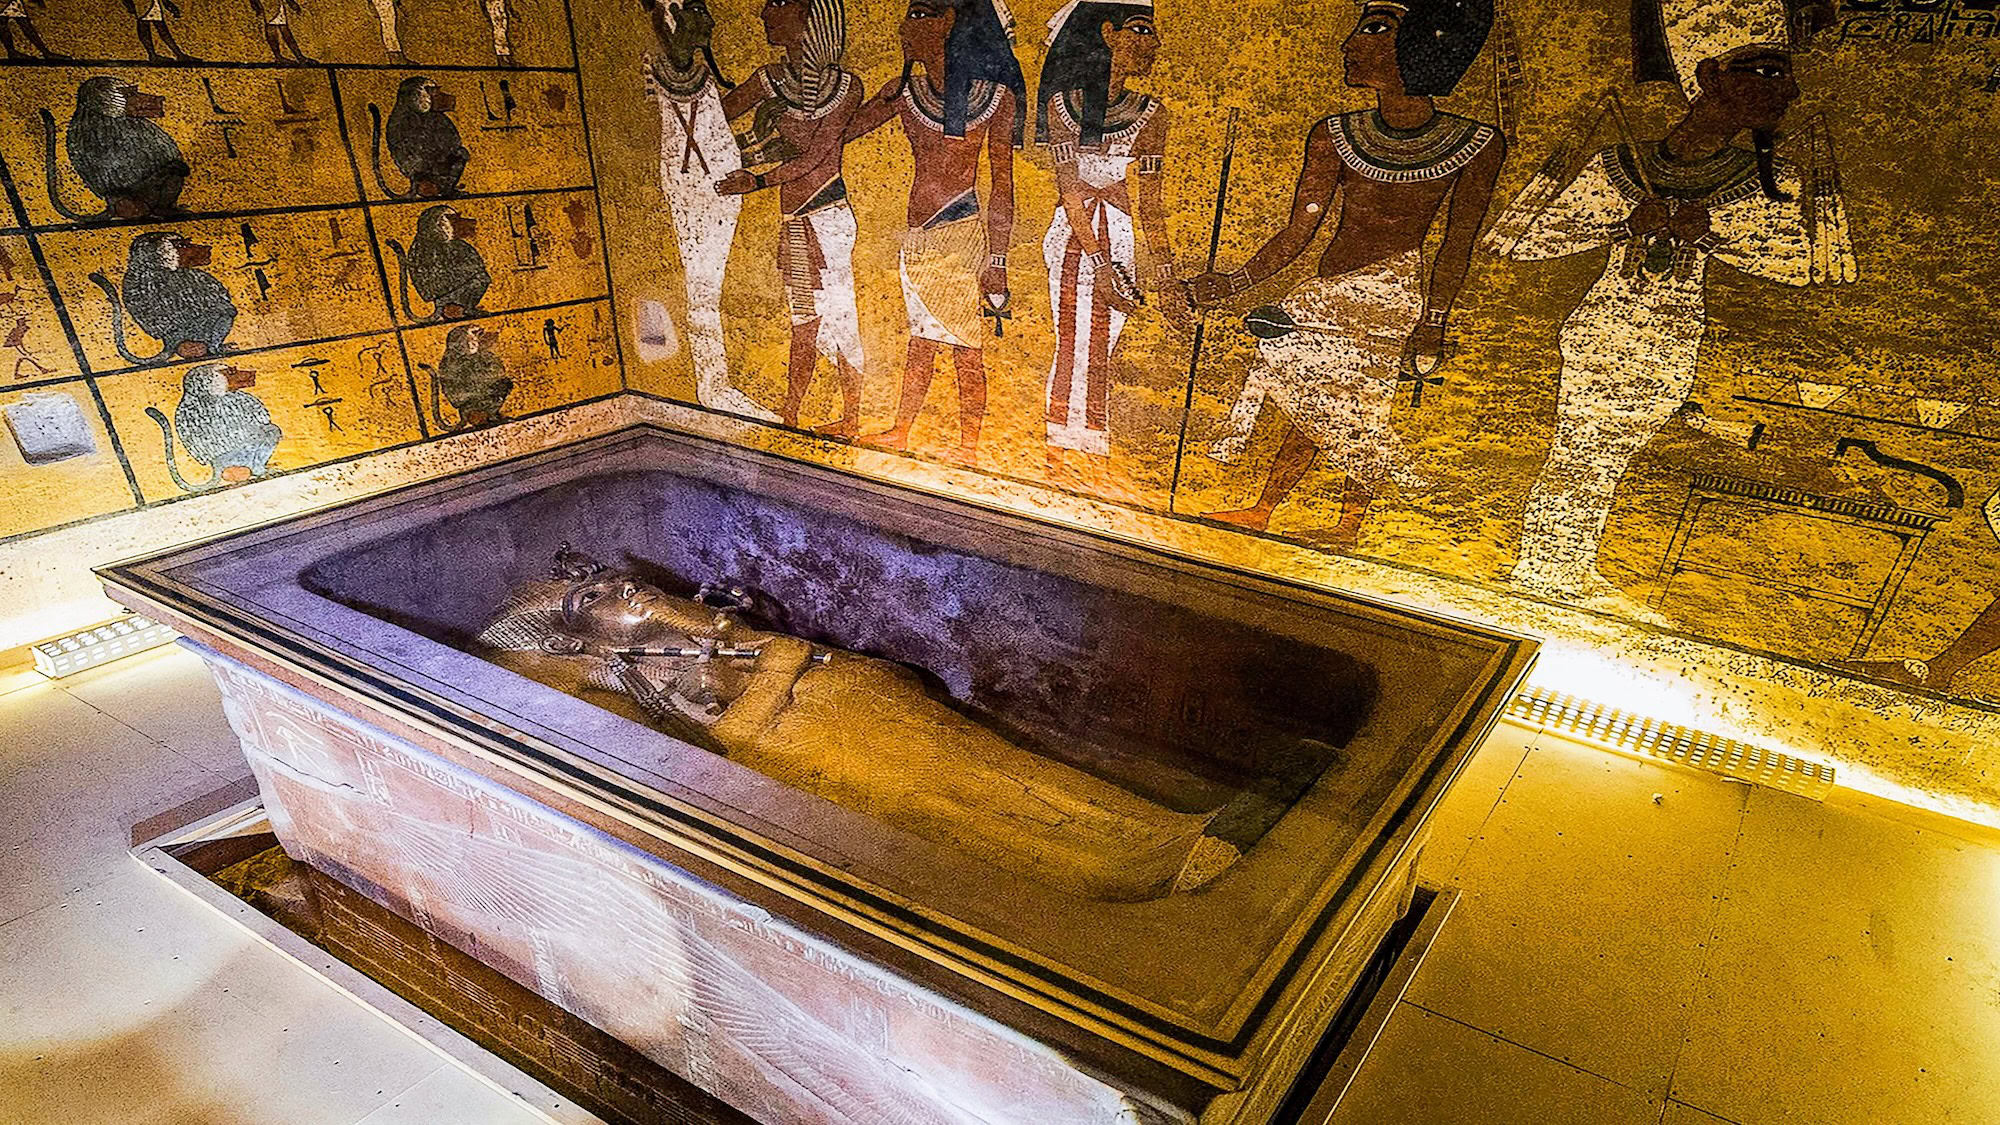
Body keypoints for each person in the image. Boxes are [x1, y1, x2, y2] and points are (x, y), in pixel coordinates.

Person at [473, 546, 1252, 902]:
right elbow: (728, 741)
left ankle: (1167, 832)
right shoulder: (636, 677)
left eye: (612, 582)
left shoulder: (676, 630)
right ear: (579, 636)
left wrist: (760, 663)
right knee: (966, 818)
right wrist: (775, 674)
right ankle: (1122, 880)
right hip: (811, 748)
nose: (618, 590)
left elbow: (769, 646)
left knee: (1005, 768)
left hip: (853, 704)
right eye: (592, 598)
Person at [1488, 0, 1854, 603]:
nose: (1787, 90)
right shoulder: (1621, 163)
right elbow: (1522, 241)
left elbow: (1805, 268)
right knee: (1583, 449)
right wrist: (1620, 223)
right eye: (1766, 72)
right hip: (1605, 328)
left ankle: (1563, 563)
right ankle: (1546, 569)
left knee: (1611, 454)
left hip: (1674, 335)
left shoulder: (1769, 176)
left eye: (1784, 75)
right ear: (1709, 76)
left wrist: (1712, 235)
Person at [1185, 0, 1502, 544]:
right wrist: (1235, 283)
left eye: (1376, 28)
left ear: (1426, 42)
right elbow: (1300, 229)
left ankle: (1348, 523)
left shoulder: (1476, 144)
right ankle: (1265, 509)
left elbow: (1457, 244)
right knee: (1311, 403)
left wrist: (1433, 321)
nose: (1350, 43)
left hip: (1391, 294)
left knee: (1361, 414)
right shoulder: (1333, 134)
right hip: (1326, 293)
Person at [845, 0, 1024, 467]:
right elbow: (841, 131)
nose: (905, 26)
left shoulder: (994, 98)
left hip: (960, 235)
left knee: (967, 349)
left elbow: (1003, 186)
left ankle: (969, 449)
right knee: (920, 341)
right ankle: (903, 431)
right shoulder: (903, 91)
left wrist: (998, 262)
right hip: (917, 239)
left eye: (919, 14)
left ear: (951, 23)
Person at [1036, 0, 1179, 467]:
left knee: (1103, 344)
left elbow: (1151, 204)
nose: (1153, 43)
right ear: (1107, 33)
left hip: (1119, 230)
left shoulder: (1151, 114)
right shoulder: (1063, 106)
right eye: (1141, 30)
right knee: (1072, 340)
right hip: (1073, 233)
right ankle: (1061, 442)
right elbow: (1070, 190)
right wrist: (1099, 264)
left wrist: (1167, 276)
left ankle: (1091, 443)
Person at [718, 0, 868, 437]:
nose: (765, 13)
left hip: (827, 216)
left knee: (839, 319)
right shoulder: (769, 80)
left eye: (779, 4)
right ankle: (790, 416)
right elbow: (715, 118)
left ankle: (850, 418)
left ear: (810, 18)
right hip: (795, 219)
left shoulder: (845, 86)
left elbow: (818, 155)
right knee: (803, 321)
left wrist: (758, 179)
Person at [641, 0, 782, 422]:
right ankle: (713, 385)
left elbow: (715, 137)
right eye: (698, 10)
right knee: (702, 290)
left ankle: (717, 383)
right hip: (690, 191)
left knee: (714, 287)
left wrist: (758, 145)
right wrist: (758, 150)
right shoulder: (656, 70)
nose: (711, 19)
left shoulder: (698, 77)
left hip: (718, 189)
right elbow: (677, 138)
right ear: (672, 19)